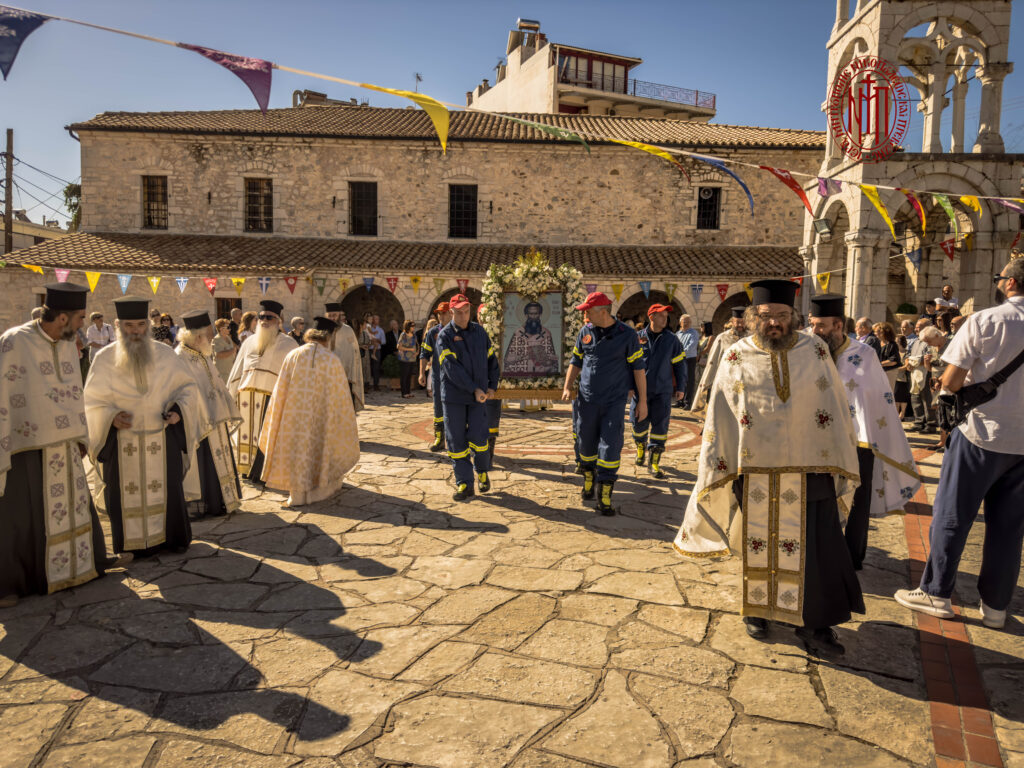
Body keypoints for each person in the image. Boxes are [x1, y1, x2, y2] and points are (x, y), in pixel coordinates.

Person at [674, 280, 863, 657]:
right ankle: (758, 610)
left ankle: (816, 623)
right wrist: (723, 462)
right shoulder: (736, 354)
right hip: (754, 467)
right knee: (758, 542)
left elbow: (833, 404)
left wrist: (836, 455)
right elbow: (722, 412)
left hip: (811, 468)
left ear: (793, 316)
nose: (774, 322)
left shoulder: (815, 350)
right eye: (766, 315)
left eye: (781, 315)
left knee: (817, 548)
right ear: (752, 318)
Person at [895, 258, 1024, 630]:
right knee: (1009, 528)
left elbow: (951, 381)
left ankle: (935, 592)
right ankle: (996, 607)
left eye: (999, 276)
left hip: (981, 433)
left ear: (1010, 283)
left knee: (953, 514)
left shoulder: (986, 320)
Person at [0, 284, 126, 608]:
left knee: (77, 504)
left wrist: (81, 434)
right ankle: (10, 584)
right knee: (20, 516)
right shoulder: (14, 342)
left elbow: (73, 392)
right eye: (80, 318)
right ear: (62, 317)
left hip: (67, 442)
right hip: (27, 445)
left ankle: (89, 563)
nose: (84, 324)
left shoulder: (69, 344)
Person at [809, 295, 921, 571]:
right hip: (817, 441)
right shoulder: (808, 353)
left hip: (859, 441)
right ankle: (821, 551)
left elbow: (876, 398)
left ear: (838, 325)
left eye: (820, 325)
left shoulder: (864, 354)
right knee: (821, 499)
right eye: (812, 324)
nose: (814, 331)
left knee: (858, 500)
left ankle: (852, 555)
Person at [85, 296, 202, 557]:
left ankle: (170, 540)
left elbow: (187, 388)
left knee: (168, 492)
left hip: (161, 438)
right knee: (123, 495)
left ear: (148, 325)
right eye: (129, 325)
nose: (135, 331)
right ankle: (132, 544)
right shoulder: (104, 358)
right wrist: (110, 417)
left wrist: (177, 412)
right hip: (122, 442)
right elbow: (91, 402)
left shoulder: (165, 354)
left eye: (140, 324)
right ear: (118, 326)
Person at [258, 316, 360, 506]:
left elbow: (280, 392)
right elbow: (341, 399)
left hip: (294, 418)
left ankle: (297, 495)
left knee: (298, 450)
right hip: (323, 419)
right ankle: (318, 492)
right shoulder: (332, 360)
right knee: (321, 447)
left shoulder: (293, 355)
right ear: (328, 337)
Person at [562, 291, 647, 515]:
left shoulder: (627, 335)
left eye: (588, 311)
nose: (585, 316)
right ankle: (589, 478)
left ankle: (605, 494)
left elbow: (638, 369)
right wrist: (567, 386)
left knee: (611, 444)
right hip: (587, 400)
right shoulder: (585, 331)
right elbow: (576, 360)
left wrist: (643, 401)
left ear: (602, 312)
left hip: (613, 402)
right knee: (585, 444)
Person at [176, 310, 242, 519]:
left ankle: (223, 501)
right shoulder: (180, 357)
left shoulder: (201, 353)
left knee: (220, 459)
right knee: (205, 463)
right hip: (199, 421)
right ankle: (208, 504)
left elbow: (215, 382)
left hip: (216, 418)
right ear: (197, 337)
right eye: (207, 334)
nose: (210, 337)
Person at [226, 299, 298, 482]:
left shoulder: (289, 344)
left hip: (271, 397)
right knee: (247, 435)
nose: (265, 320)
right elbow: (238, 367)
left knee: (265, 436)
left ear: (278, 321)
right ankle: (246, 470)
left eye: (269, 317)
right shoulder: (249, 341)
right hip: (246, 396)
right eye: (262, 317)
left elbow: (294, 374)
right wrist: (231, 392)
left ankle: (262, 473)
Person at [437, 294, 499, 500]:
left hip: (477, 398)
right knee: (456, 440)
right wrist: (474, 388)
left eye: (466, 311)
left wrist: (492, 386)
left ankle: (482, 472)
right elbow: (451, 368)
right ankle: (464, 483)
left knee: (479, 438)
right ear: (451, 312)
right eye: (459, 312)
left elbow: (492, 360)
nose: (464, 316)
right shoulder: (444, 336)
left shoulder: (480, 332)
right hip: (454, 397)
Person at [631, 304, 686, 478]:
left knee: (660, 426)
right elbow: (628, 364)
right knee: (637, 424)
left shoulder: (672, 339)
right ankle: (640, 447)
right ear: (651, 317)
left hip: (662, 391)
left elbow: (680, 365)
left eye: (666, 316)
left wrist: (681, 387)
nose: (665, 319)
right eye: (661, 315)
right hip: (640, 391)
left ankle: (654, 462)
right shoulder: (637, 338)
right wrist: (629, 386)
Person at [692, 306, 747, 411]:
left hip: (746, 382)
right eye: (738, 322)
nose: (740, 325)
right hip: (726, 381)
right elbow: (713, 361)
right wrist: (709, 380)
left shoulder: (751, 338)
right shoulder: (722, 338)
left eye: (743, 322)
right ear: (732, 321)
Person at [419, 302, 452, 452]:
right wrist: (421, 373)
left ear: (451, 313)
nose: (441, 316)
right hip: (438, 378)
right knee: (438, 408)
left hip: (456, 379)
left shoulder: (458, 331)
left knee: (456, 409)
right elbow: (424, 353)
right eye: (439, 313)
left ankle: (457, 440)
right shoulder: (433, 332)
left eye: (444, 313)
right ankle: (439, 439)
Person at [476, 304, 503, 463]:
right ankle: (479, 454)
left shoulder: (498, 333)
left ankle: (488, 456)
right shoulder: (472, 333)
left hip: (492, 383)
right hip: (475, 385)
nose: (485, 319)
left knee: (492, 419)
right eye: (482, 315)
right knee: (475, 422)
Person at [324, 303, 365, 411]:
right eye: (330, 315)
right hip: (326, 373)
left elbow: (353, 350)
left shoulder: (347, 330)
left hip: (345, 373)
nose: (332, 318)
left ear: (339, 315)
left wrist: (350, 367)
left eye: (334, 315)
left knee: (346, 404)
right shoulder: (321, 330)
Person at [503, 301, 560, 376]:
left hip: (541, 375)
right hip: (521, 375)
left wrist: (543, 357)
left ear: (540, 314)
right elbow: (508, 360)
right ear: (526, 315)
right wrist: (524, 356)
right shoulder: (518, 333)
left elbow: (552, 362)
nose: (533, 317)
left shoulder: (546, 334)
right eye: (531, 314)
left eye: (536, 314)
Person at [907, 319, 938, 434]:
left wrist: (916, 362)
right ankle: (919, 422)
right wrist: (908, 363)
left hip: (926, 372)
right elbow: (909, 355)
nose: (916, 328)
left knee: (927, 399)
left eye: (919, 326)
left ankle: (930, 424)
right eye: (916, 326)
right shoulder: (915, 341)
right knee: (915, 397)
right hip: (915, 373)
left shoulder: (930, 341)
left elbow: (930, 356)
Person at [675, 314, 700, 409]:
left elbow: (692, 346)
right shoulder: (678, 334)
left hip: (689, 359)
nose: (687, 323)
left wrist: (680, 353)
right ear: (680, 323)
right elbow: (675, 345)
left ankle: (688, 403)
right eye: (684, 322)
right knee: (680, 379)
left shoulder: (694, 333)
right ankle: (679, 401)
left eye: (688, 322)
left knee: (689, 381)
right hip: (679, 359)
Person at [874, 322, 902, 392]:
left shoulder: (892, 345)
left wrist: (878, 364)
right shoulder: (877, 343)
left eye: (877, 331)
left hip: (889, 372)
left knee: (887, 393)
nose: (875, 333)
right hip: (878, 372)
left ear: (884, 332)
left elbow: (894, 361)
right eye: (875, 331)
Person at [397, 320, 419, 398]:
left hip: (412, 359)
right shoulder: (403, 335)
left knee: (409, 376)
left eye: (414, 326)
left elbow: (417, 345)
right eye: (412, 326)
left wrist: (417, 352)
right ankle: (404, 393)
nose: (413, 327)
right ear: (407, 326)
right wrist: (409, 349)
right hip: (404, 359)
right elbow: (398, 346)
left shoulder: (414, 335)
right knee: (404, 376)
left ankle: (408, 392)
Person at [368, 314, 385, 391]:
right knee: (367, 367)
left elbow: (383, 342)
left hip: (377, 350)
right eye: (374, 319)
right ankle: (366, 384)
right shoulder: (368, 328)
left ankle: (376, 385)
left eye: (377, 319)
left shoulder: (381, 330)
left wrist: (377, 340)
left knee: (376, 368)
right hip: (368, 349)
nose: (376, 320)